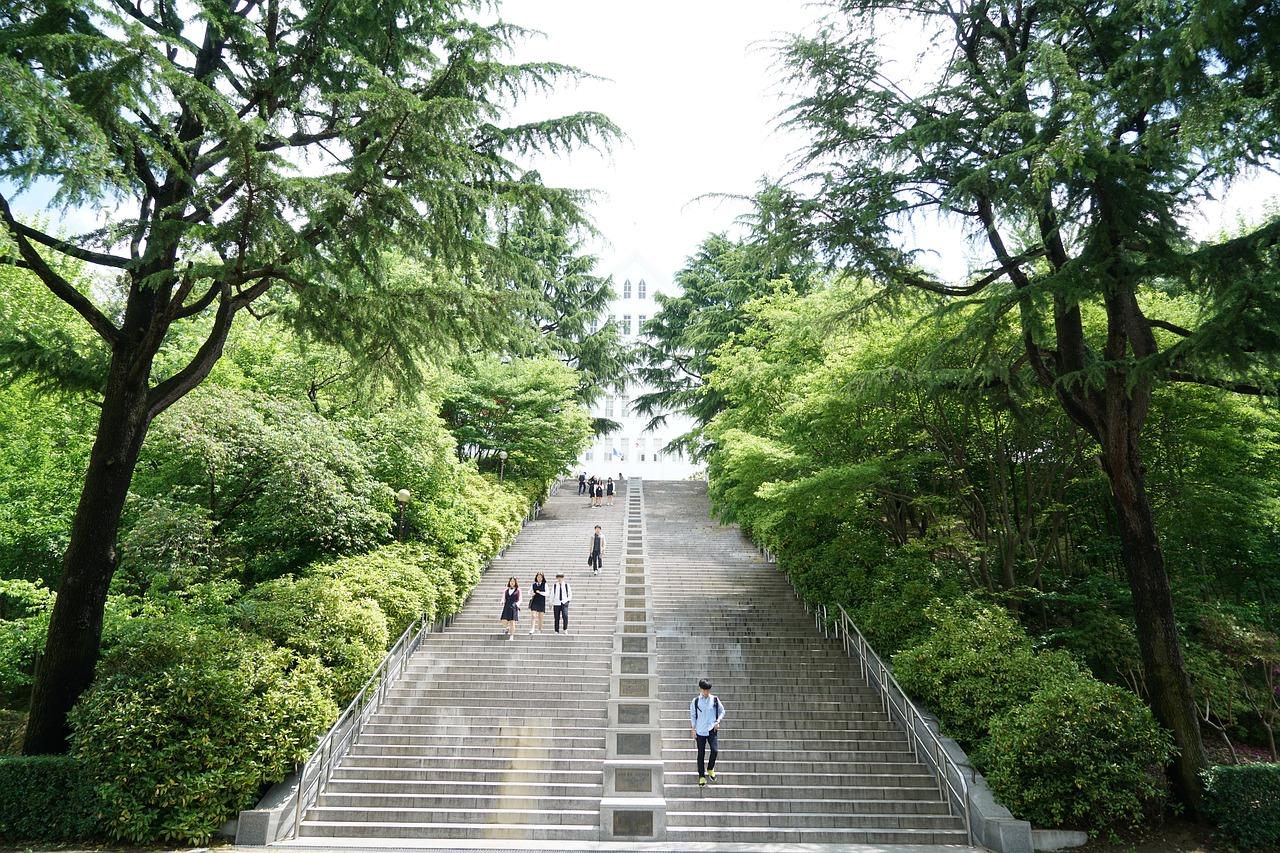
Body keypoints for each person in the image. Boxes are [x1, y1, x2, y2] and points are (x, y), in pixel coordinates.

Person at [690, 678, 725, 788]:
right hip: (700, 730)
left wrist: (718, 721)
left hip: (711, 729)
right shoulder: (695, 701)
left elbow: (722, 711)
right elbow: (693, 716)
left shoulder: (714, 700)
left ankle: (710, 768)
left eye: (708, 690)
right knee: (701, 754)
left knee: (714, 751)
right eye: (704, 690)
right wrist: (693, 730)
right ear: (700, 689)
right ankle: (701, 776)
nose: (706, 692)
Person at [500, 576, 521, 641]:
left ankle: (511, 636)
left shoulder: (518, 590)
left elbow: (520, 599)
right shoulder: (506, 590)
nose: (512, 583)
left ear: (515, 582)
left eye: (513, 581)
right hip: (507, 606)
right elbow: (503, 598)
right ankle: (506, 627)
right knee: (503, 620)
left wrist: (517, 604)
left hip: (514, 607)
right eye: (511, 581)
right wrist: (502, 602)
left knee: (512, 622)